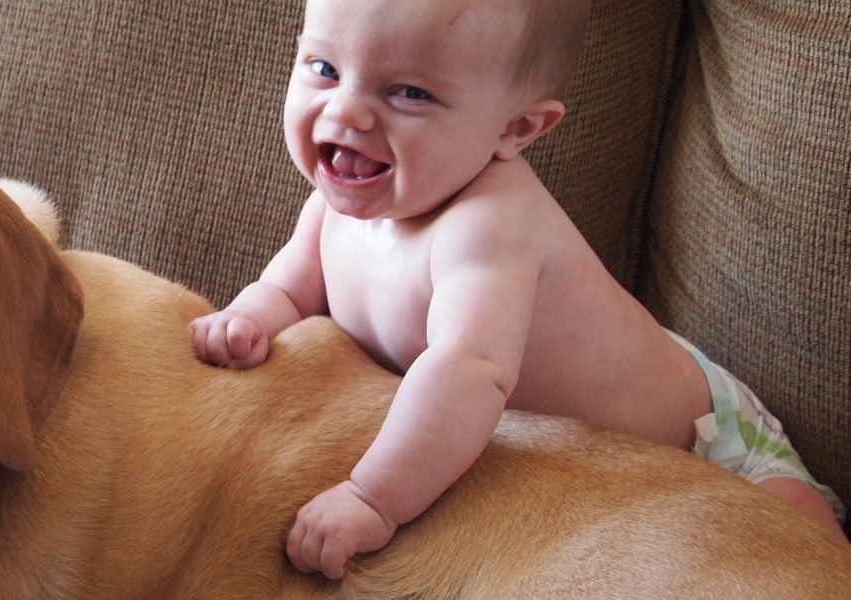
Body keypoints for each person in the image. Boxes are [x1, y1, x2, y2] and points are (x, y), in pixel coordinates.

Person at [188, 0, 847, 580]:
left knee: (804, 547)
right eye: (324, 69)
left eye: (409, 93)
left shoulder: (487, 229)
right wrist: (252, 316)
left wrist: (371, 498)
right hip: (597, 466)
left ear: (516, 130)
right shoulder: (336, 208)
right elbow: (292, 284)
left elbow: (467, 373)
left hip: (708, 437)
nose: (347, 109)